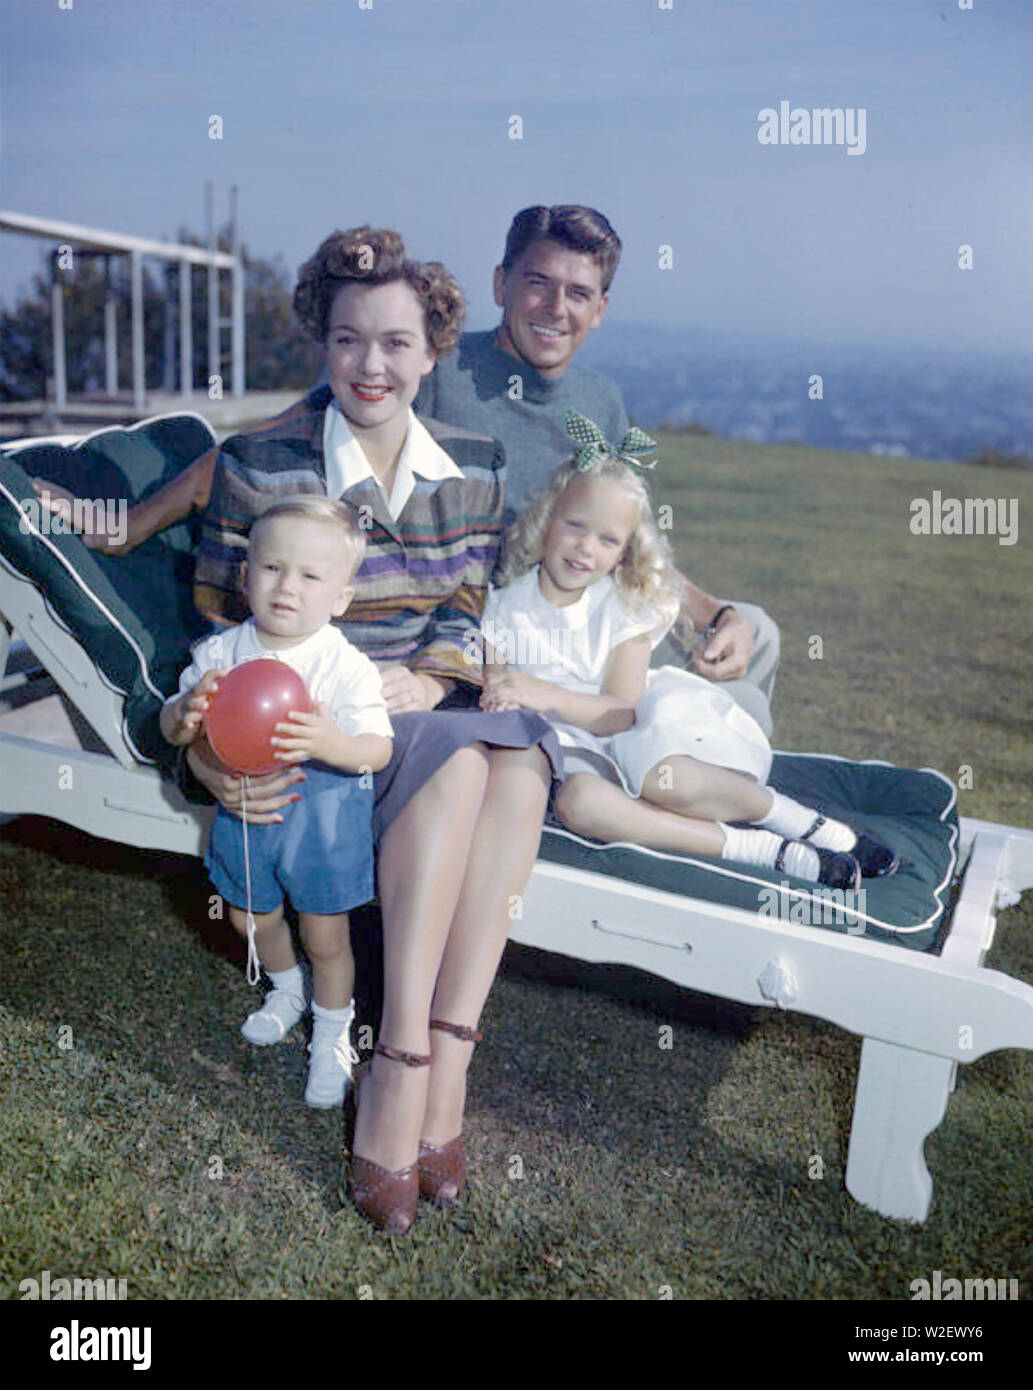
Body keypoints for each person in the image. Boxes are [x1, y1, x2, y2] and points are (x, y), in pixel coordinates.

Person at [35, 226, 562, 1236]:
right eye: (348, 340)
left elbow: (464, 606)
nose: (373, 365)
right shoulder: (258, 465)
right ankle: (405, 1065)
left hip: (413, 705)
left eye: (398, 343)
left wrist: (428, 675)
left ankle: (432, 1065)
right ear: (320, 344)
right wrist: (205, 756)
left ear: (433, 349)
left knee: (514, 761)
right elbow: (219, 636)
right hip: (316, 720)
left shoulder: (478, 467)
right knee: (467, 771)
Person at [481, 413, 899, 885]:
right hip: (568, 749)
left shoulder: (624, 603)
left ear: (624, 553)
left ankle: (801, 823)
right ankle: (757, 849)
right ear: (546, 518)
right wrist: (508, 694)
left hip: (632, 731)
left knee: (669, 782)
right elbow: (500, 692)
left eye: (607, 540)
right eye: (574, 525)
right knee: (579, 802)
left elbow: (620, 713)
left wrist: (543, 692)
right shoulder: (504, 607)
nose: (585, 548)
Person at [415, 204, 780, 733]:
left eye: (579, 293)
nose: (557, 308)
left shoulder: (599, 400)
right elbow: (331, 413)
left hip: (588, 616)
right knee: (735, 710)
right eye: (538, 283)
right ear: (500, 285)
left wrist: (716, 614)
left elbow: (620, 540)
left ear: (601, 307)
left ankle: (700, 778)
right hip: (501, 632)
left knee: (756, 630)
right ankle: (667, 783)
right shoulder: (438, 371)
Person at [160, 496, 393, 1109]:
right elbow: (174, 724)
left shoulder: (345, 666)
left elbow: (378, 749)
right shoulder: (219, 655)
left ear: (341, 597)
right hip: (247, 818)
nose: (287, 586)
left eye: (311, 576)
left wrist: (333, 742)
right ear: (245, 576)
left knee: (326, 938)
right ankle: (287, 991)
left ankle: (333, 1035)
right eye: (271, 568)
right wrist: (181, 716)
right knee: (249, 918)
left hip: (321, 826)